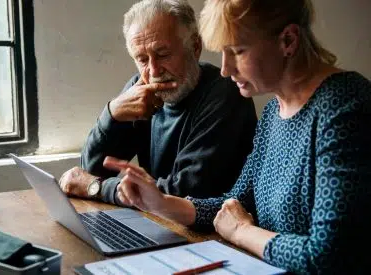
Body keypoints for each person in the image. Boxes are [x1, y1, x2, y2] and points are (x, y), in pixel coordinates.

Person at [102, 0, 371, 274]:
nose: (225, 70)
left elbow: (328, 256)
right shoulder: (274, 112)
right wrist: (160, 203)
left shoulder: (345, 107)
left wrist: (242, 232)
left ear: (288, 40)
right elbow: (235, 203)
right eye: (222, 53)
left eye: (238, 51)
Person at [58, 0, 257, 205]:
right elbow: (90, 170)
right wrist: (111, 113)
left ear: (195, 47)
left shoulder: (226, 95)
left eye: (163, 55)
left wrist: (98, 188)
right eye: (142, 59)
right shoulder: (141, 88)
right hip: (159, 222)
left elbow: (184, 193)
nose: (153, 71)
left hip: (211, 231)